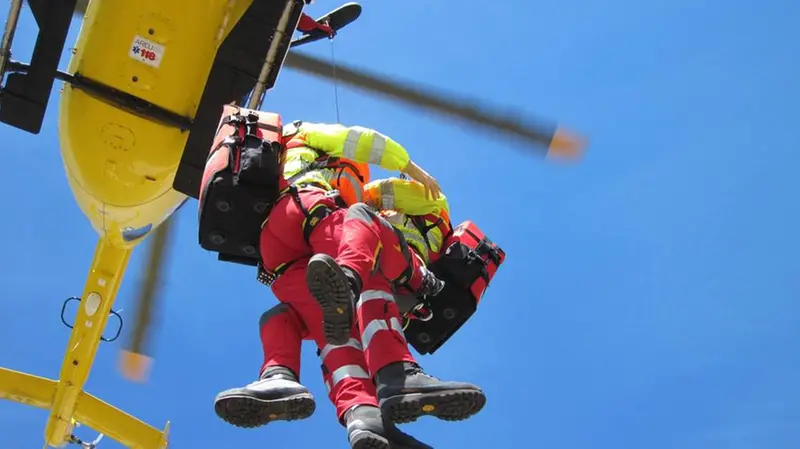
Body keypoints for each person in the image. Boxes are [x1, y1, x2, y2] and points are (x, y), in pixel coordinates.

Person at [214, 123, 439, 449]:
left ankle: (299, 386)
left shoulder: (276, 156)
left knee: (325, 329)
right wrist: (411, 168)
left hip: (277, 251)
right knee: (369, 257)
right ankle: (399, 373)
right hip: (311, 210)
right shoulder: (304, 135)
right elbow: (363, 140)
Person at [306, 178, 487, 424]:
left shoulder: (431, 198)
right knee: (345, 336)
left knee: (360, 214)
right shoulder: (432, 225)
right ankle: (367, 419)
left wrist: (323, 194)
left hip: (402, 265)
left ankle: (347, 285)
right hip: (399, 295)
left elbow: (369, 194)